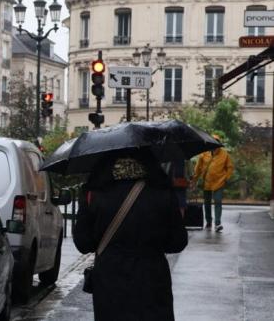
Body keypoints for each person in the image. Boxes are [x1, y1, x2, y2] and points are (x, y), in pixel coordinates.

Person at [74, 152, 188, 321]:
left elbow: (83, 243)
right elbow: (178, 242)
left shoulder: (94, 193)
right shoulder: (162, 190)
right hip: (152, 278)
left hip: (109, 280)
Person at [191, 134, 234, 232]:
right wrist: (194, 180)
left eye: (216, 142)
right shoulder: (204, 153)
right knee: (207, 202)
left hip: (219, 182)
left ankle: (218, 223)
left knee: (218, 201)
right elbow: (198, 169)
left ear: (219, 143)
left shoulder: (224, 154)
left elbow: (230, 167)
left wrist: (225, 178)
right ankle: (209, 221)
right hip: (207, 182)